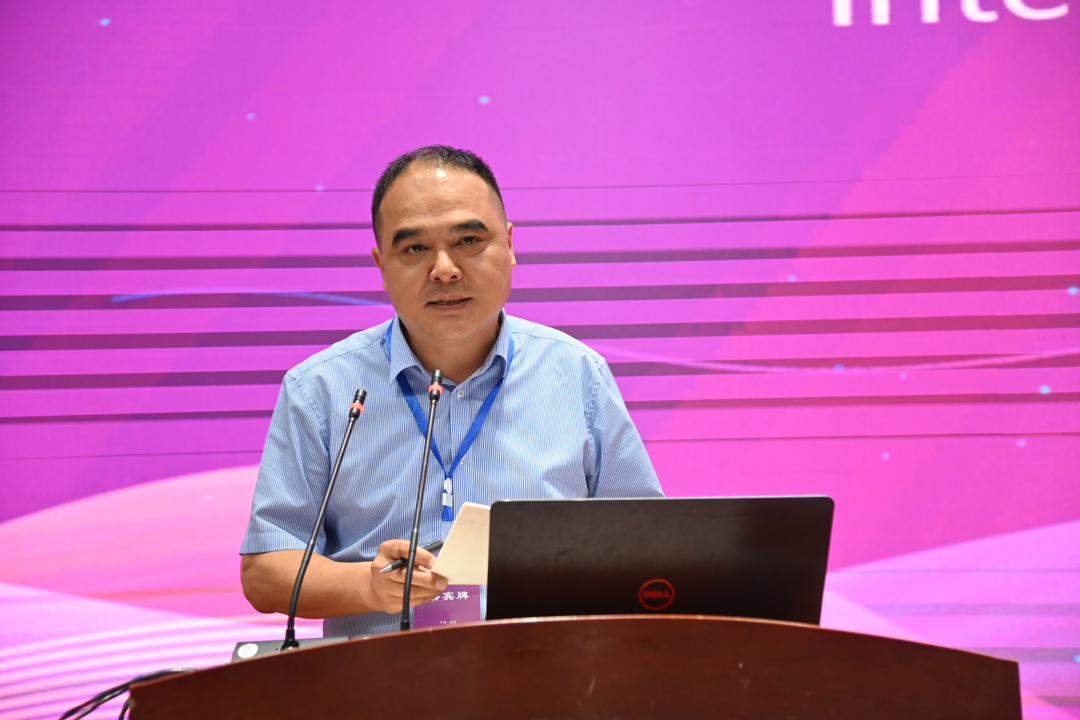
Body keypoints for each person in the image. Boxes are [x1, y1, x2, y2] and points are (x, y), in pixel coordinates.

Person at [240, 146, 663, 636]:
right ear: (381, 265)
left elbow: (648, 547)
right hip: (381, 676)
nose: (444, 269)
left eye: (468, 240)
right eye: (414, 249)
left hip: (546, 670)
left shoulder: (578, 374)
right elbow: (265, 571)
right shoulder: (320, 389)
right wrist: (367, 586)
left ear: (509, 245)